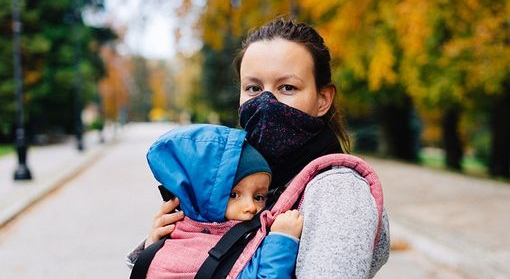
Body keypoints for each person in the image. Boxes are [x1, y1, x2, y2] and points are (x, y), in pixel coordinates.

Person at [128, 18, 390, 278]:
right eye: (253, 88)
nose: (266, 102)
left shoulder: (337, 191)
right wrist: (161, 247)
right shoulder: (243, 174)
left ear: (323, 99)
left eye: (287, 87)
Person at [139, 124, 303, 278]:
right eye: (234, 195)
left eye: (259, 197)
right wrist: (282, 240)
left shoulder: (247, 233)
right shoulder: (179, 252)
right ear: (201, 196)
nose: (251, 207)